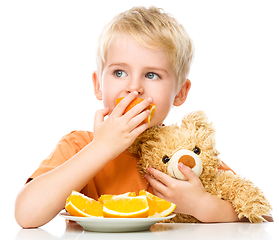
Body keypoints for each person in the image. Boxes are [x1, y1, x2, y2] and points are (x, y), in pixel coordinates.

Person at [14, 6, 272, 228]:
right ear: (98, 85)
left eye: (152, 75)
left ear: (180, 93)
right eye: (119, 73)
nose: (133, 87)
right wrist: (101, 148)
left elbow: (261, 214)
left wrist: (202, 205)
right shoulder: (79, 146)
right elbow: (26, 214)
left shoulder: (188, 154)